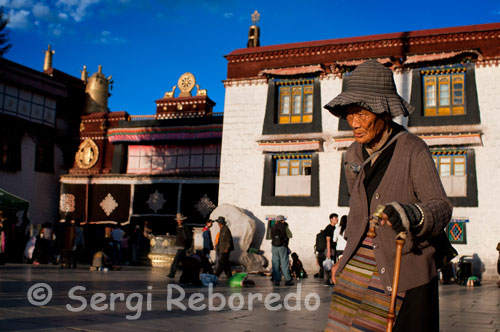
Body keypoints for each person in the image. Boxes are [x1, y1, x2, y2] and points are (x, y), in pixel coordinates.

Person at [323, 59, 452, 332]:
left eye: (362, 114)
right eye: (349, 113)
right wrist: (344, 260)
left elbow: (441, 206)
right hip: (358, 264)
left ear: (383, 111)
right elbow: (357, 212)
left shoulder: (413, 150)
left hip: (402, 263)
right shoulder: (352, 155)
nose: (354, 123)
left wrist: (411, 214)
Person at [270, 215, 294, 286]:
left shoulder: (273, 226)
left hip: (274, 246)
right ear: (282, 220)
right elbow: (290, 235)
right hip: (282, 246)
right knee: (284, 263)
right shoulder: (284, 226)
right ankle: (288, 280)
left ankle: (276, 280)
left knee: (275, 263)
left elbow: (269, 236)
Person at [167, 213, 192, 278]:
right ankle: (188, 273)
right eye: (178, 220)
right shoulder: (178, 227)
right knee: (184, 261)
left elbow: (189, 237)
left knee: (176, 259)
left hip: (182, 246)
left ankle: (172, 273)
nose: (179, 221)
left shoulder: (185, 227)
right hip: (179, 245)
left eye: (180, 220)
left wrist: (188, 245)